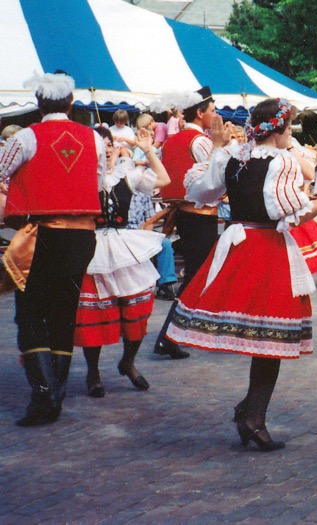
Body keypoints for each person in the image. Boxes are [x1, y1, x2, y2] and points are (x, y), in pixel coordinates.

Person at [167, 98, 317, 451]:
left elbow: (202, 191)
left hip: (237, 244)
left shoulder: (233, 156)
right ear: (279, 129)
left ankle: (250, 411)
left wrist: (218, 149)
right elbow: (295, 214)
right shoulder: (282, 161)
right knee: (271, 340)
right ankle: (253, 418)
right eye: (289, 127)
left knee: (266, 340)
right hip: (267, 248)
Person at [0, 72, 104, 426]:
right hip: (83, 234)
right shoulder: (93, 138)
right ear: (71, 102)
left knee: (30, 311)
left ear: (39, 103)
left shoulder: (27, 136)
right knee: (63, 309)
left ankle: (44, 396)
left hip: (42, 232)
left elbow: (1, 170)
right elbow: (100, 180)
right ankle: (53, 391)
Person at [74, 126, 170, 398]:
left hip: (123, 245)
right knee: (95, 312)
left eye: (108, 143)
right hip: (93, 247)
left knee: (136, 308)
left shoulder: (126, 175)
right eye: (99, 145)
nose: (105, 149)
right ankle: (93, 372)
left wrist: (147, 148)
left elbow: (163, 179)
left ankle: (128, 362)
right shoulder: (83, 176)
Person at [150, 86, 224, 360]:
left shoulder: (173, 140)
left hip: (183, 213)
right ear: (201, 112)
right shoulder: (201, 142)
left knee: (199, 274)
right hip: (200, 215)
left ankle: (185, 331)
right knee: (196, 276)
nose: (215, 115)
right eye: (213, 111)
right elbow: (216, 176)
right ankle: (169, 336)